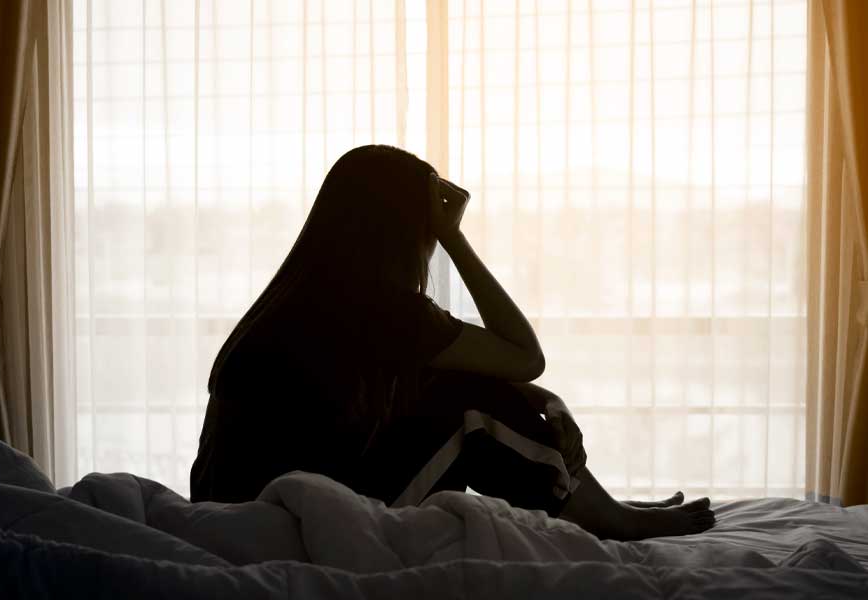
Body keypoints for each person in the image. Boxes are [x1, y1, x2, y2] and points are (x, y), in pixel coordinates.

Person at [190, 144, 715, 540]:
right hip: (281, 529)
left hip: (246, 514)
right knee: (467, 406)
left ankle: (605, 509)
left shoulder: (301, 298)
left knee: (460, 388)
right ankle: (608, 518)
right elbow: (525, 356)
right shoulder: (379, 307)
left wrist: (541, 399)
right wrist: (455, 238)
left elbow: (474, 375)